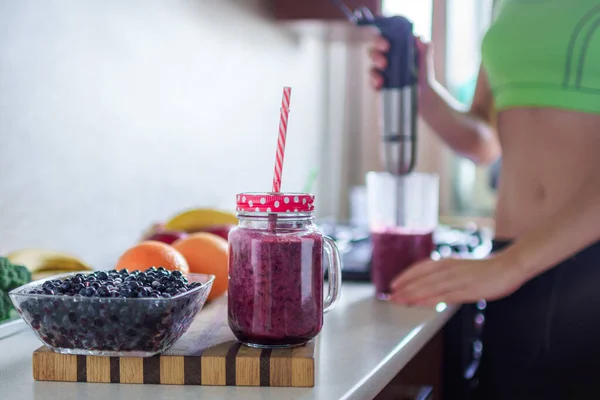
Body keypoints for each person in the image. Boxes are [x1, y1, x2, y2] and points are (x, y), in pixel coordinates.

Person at [369, 1, 600, 399]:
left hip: (580, 265)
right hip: (513, 266)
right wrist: (425, 94)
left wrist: (510, 266)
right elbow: (485, 139)